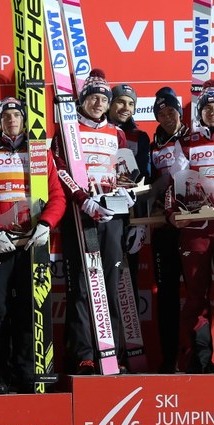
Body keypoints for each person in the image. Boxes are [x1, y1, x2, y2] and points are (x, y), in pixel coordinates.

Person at [0, 96, 66, 394]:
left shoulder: (38, 153)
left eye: (15, 116)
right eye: (4, 116)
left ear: (23, 119)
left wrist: (47, 224)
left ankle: (26, 373)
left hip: (30, 244)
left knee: (28, 310)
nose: (10, 121)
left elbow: (57, 195)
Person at [51, 68, 132, 375]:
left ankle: (110, 354)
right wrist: (82, 199)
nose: (99, 103)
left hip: (111, 216)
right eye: (93, 98)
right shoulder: (67, 132)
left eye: (103, 98)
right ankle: (84, 354)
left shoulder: (117, 132)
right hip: (80, 215)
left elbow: (126, 173)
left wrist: (128, 195)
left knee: (109, 286)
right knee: (83, 288)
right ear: (82, 100)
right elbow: (59, 170)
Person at [165, 79, 214, 374]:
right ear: (200, 113)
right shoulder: (187, 142)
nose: (212, 113)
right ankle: (200, 359)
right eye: (207, 108)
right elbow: (174, 184)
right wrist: (171, 212)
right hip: (195, 229)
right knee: (196, 296)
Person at [149, 86, 189, 373]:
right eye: (161, 114)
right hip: (163, 226)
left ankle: (200, 358)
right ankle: (169, 359)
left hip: (191, 223)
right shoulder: (151, 144)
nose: (166, 118)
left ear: (180, 111)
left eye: (171, 112)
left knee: (199, 293)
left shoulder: (192, 138)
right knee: (166, 293)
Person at [107, 83, 150, 312]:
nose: (126, 107)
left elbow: (143, 180)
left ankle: (129, 345)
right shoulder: (95, 132)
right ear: (110, 103)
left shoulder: (139, 137)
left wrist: (140, 224)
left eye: (131, 103)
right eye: (121, 101)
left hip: (129, 215)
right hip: (100, 211)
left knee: (126, 280)